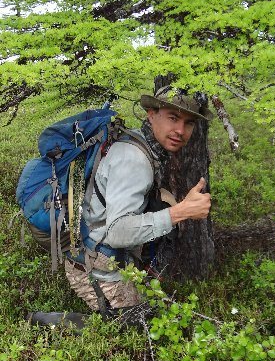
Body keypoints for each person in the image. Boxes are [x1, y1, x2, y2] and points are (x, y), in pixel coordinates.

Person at [64, 86, 213, 311]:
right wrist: (181, 212)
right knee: (139, 324)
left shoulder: (139, 142)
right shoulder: (134, 159)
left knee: (156, 307)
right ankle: (47, 322)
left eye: (189, 123)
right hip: (93, 266)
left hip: (101, 254)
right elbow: (117, 232)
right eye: (173, 118)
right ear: (151, 114)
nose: (180, 130)